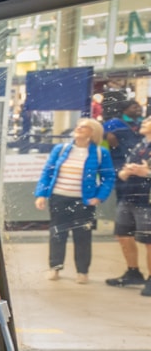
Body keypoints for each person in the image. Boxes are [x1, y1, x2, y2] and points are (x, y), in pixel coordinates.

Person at [33, 117, 115, 284]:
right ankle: (55, 267)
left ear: (93, 133)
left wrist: (99, 197)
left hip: (83, 202)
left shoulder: (101, 153)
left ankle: (82, 271)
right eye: (78, 126)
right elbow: (47, 173)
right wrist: (41, 194)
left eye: (84, 127)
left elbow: (109, 177)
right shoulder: (61, 149)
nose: (78, 128)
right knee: (57, 234)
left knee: (82, 236)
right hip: (59, 198)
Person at [103, 100, 150, 288]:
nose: (144, 121)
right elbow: (123, 170)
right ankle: (133, 272)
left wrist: (146, 173)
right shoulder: (139, 146)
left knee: (148, 239)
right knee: (122, 234)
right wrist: (126, 172)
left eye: (148, 120)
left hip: (147, 200)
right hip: (128, 196)